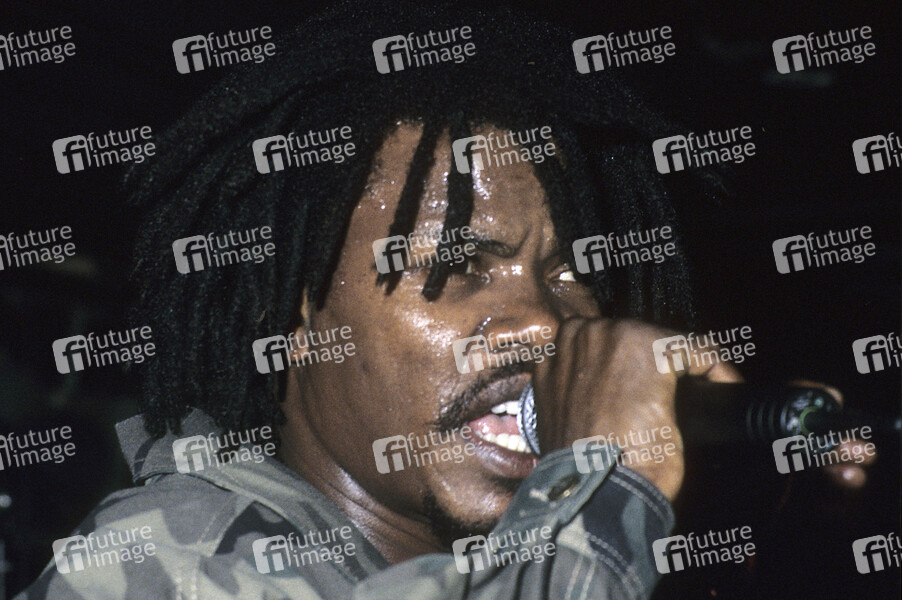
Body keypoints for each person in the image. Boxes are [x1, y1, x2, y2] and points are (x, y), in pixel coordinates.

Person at [16, 2, 873, 598]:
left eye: (570, 272)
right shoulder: (172, 561)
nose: (543, 322)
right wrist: (609, 489)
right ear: (289, 312)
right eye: (459, 265)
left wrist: (761, 543)